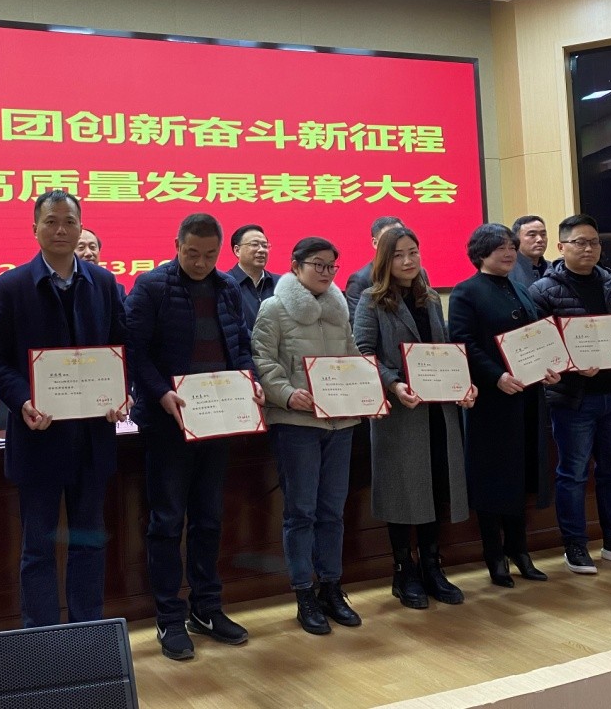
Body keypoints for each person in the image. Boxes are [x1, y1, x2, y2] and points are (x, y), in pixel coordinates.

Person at [0, 191, 129, 627]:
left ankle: (87, 634)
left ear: (81, 227)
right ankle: (41, 640)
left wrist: (123, 392)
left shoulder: (104, 283)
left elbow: (123, 346)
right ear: (35, 229)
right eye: (51, 222)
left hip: (92, 438)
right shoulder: (11, 286)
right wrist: (23, 398)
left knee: (89, 544)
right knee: (38, 548)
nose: (61, 230)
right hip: (38, 437)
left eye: (69, 221)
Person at [127, 213, 259, 660]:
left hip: (217, 419)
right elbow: (135, 352)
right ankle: (169, 617)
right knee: (166, 521)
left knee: (209, 518)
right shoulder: (151, 286)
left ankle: (206, 608)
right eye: (192, 253)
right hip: (168, 423)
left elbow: (240, 345)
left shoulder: (226, 287)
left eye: (209, 254)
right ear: (177, 245)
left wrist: (250, 381)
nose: (201, 262)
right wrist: (160, 392)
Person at [527, 214, 611, 574]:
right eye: (580, 242)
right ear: (561, 247)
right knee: (573, 474)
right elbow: (539, 346)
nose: (588, 249)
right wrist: (571, 364)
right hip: (573, 398)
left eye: (594, 242)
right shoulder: (542, 291)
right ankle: (575, 545)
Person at [353, 225, 470, 609]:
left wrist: (463, 384)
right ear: (385, 260)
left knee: (435, 487)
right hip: (401, 414)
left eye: (413, 252)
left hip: (438, 410)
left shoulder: (430, 298)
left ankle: (433, 567)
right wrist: (393, 383)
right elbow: (362, 352)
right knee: (404, 492)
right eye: (399, 255)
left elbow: (444, 349)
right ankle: (404, 571)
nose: (407, 261)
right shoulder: (372, 300)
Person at [252, 237, 364, 635]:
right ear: (295, 265)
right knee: (301, 513)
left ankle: (331, 588)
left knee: (333, 511)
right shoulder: (274, 307)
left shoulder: (339, 307)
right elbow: (262, 360)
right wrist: (286, 393)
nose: (326, 272)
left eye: (332, 266)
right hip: (296, 423)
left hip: (340, 422)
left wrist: (367, 387)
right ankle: (303, 593)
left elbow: (352, 357)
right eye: (318, 264)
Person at [447, 223, 560, 588]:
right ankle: (495, 556)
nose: (510, 253)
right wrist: (496, 376)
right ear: (481, 253)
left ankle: (520, 550)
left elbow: (536, 338)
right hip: (491, 401)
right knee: (493, 479)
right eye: (501, 248)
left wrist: (549, 368)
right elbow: (463, 342)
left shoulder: (520, 288)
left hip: (527, 396)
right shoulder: (466, 292)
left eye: (512, 246)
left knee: (521, 475)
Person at [342, 216, 404, 323]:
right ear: (375, 243)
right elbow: (358, 325)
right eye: (388, 239)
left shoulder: (418, 272)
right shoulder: (360, 280)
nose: (396, 243)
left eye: (401, 236)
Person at [227, 224, 277, 330]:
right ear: (237, 250)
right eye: (254, 245)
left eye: (265, 246)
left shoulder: (280, 284)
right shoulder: (224, 284)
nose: (261, 250)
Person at [508, 214, 549, 290]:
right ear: (516, 239)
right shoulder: (507, 270)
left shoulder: (553, 268)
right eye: (532, 235)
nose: (540, 239)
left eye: (543, 234)